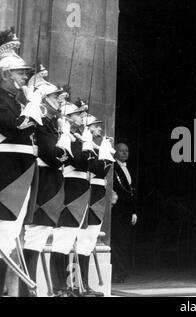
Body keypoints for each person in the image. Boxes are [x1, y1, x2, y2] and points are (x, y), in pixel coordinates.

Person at [19, 68, 68, 297]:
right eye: (54, 97)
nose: (58, 100)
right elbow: (51, 155)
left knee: (38, 238)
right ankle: (26, 290)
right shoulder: (43, 123)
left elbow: (58, 156)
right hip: (44, 182)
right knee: (35, 236)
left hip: (51, 182)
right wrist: (62, 149)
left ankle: (29, 289)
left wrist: (60, 151)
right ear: (44, 100)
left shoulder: (51, 124)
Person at [0, 28, 42, 297]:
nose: (25, 76)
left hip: (19, 173)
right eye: (19, 72)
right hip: (6, 175)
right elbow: (15, 127)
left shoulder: (15, 100)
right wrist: (33, 103)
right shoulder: (3, 99)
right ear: (5, 74)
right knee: (3, 234)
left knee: (8, 235)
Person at [49, 100, 91, 297]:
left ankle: (67, 286)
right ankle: (58, 286)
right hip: (69, 190)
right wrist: (86, 147)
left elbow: (93, 166)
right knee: (62, 241)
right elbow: (81, 163)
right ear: (67, 117)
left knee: (69, 241)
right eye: (77, 114)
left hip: (81, 191)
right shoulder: (69, 138)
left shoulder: (78, 137)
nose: (81, 117)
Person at [76, 114, 115, 296]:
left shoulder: (95, 146)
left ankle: (84, 284)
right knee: (84, 239)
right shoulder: (86, 146)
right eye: (95, 126)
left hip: (98, 193)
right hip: (90, 193)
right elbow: (99, 169)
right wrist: (105, 153)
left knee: (90, 240)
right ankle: (79, 285)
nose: (99, 129)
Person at [111, 143, 137, 283]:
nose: (124, 153)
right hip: (116, 211)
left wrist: (134, 211)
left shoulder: (129, 168)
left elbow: (132, 191)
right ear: (115, 152)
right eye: (121, 151)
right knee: (117, 243)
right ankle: (117, 273)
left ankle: (122, 272)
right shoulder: (112, 167)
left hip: (126, 212)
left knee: (124, 243)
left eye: (126, 150)